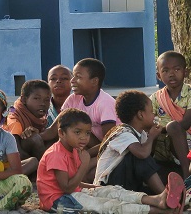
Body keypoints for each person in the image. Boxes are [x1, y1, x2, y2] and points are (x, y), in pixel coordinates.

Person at [37, 108, 184, 214]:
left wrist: (97, 189)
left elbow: (76, 183)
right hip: (58, 201)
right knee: (107, 205)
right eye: (77, 132)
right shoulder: (56, 154)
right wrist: (85, 164)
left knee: (113, 191)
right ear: (61, 133)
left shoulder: (74, 149)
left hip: (73, 192)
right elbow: (66, 188)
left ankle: (158, 199)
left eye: (87, 133)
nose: (84, 138)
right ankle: (157, 211)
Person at [95, 90, 166, 193]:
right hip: (106, 185)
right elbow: (142, 154)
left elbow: (147, 156)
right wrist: (151, 137)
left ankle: (165, 195)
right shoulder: (123, 132)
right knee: (139, 156)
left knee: (149, 190)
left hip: (125, 182)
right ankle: (164, 195)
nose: (154, 115)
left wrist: (152, 137)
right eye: (151, 111)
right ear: (140, 115)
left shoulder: (141, 134)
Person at [149, 51, 191, 177]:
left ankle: (186, 175)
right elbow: (148, 120)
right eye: (165, 71)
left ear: (186, 72)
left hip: (185, 142)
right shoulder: (156, 98)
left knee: (173, 126)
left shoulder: (189, 93)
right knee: (146, 132)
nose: (171, 74)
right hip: (161, 146)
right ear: (158, 75)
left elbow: (186, 123)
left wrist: (164, 129)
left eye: (177, 69)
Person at [3, 79, 52, 168]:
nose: (42, 104)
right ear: (24, 99)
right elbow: (17, 152)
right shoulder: (14, 118)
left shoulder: (44, 118)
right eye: (37, 98)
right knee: (34, 138)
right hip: (8, 161)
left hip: (30, 160)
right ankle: (46, 173)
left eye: (47, 100)